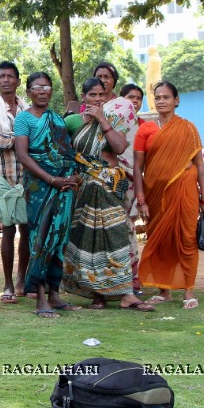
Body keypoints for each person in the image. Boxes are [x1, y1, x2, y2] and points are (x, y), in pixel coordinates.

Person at [63, 78, 152, 311]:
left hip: (110, 185)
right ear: (84, 98)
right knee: (90, 241)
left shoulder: (112, 119)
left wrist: (102, 120)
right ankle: (97, 294)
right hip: (85, 187)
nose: (98, 99)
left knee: (116, 237)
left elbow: (120, 148)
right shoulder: (73, 122)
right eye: (92, 95)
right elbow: (66, 153)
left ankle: (126, 295)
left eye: (102, 95)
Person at [133, 81, 204, 309]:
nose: (161, 101)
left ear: (176, 100)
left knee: (186, 239)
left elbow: (199, 165)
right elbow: (138, 168)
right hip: (155, 195)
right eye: (157, 97)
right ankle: (163, 291)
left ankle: (188, 291)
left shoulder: (188, 128)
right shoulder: (145, 129)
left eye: (166, 97)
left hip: (185, 191)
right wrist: (141, 200)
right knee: (160, 240)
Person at [13, 73, 80, 318]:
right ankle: (40, 296)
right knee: (39, 237)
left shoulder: (59, 121)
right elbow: (23, 155)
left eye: (47, 87)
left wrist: (69, 177)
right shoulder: (23, 119)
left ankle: (55, 294)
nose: (42, 91)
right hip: (39, 187)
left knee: (60, 237)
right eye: (37, 87)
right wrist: (51, 178)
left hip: (64, 185)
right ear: (29, 91)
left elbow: (66, 152)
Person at [85, 62, 142, 293]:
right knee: (98, 230)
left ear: (114, 80)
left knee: (124, 228)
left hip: (122, 175)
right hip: (94, 179)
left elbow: (126, 144)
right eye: (99, 77)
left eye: (107, 77)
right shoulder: (86, 110)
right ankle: (102, 281)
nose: (104, 80)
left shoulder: (123, 106)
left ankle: (131, 280)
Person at [0, 61, 30, 303]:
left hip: (29, 176)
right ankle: (8, 284)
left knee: (27, 231)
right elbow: (0, 141)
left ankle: (22, 280)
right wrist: (25, 137)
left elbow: (38, 138)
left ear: (18, 81)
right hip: (5, 177)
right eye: (1, 76)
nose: (6, 80)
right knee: (8, 231)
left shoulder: (28, 108)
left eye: (10, 76)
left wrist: (18, 137)